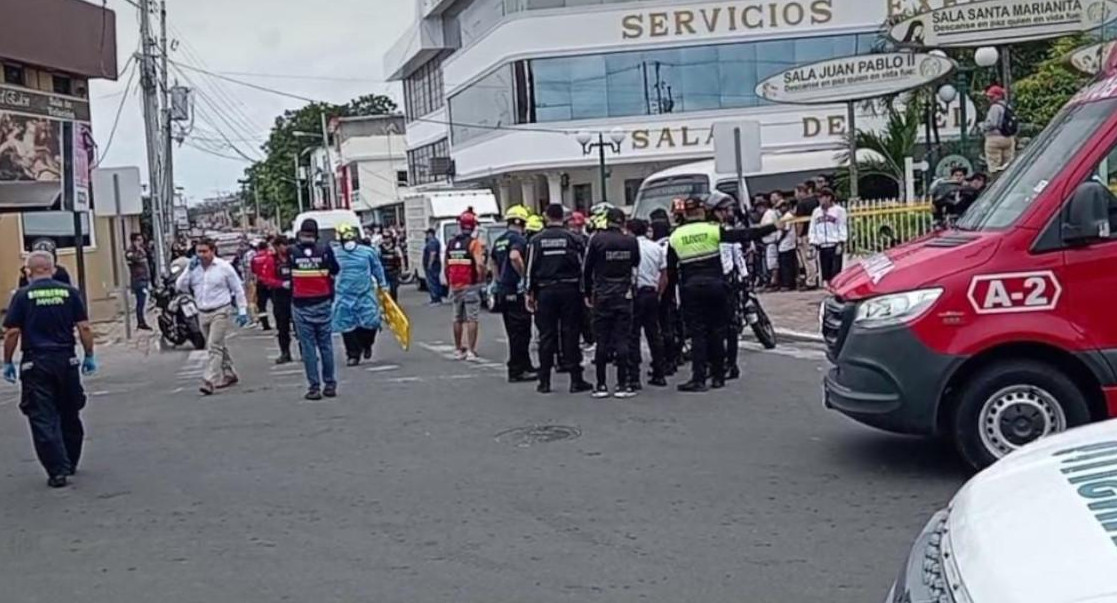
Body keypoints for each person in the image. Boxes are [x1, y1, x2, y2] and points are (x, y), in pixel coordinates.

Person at [3, 251, 97, 488]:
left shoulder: (22, 296)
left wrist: (7, 361)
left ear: (28, 271)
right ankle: (70, 460)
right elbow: (84, 327)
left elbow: (12, 331)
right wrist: (89, 355)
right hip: (65, 360)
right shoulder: (69, 292)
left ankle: (57, 470)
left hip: (36, 361)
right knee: (69, 410)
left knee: (42, 416)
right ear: (53, 269)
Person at [667, 192, 777, 392]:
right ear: (702, 211)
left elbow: (671, 271)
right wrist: (772, 227)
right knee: (718, 330)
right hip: (716, 286)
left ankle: (698, 379)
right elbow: (743, 235)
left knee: (698, 334)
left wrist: (673, 298)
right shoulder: (712, 230)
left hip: (691, 289)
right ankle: (719, 376)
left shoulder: (675, 237)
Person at [526, 203, 594, 394]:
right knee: (571, 334)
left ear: (546, 217)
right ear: (563, 218)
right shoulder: (573, 238)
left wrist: (528, 293)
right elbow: (583, 268)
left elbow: (530, 269)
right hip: (570, 290)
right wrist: (585, 292)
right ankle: (575, 379)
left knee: (546, 336)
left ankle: (544, 381)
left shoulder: (536, 240)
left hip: (545, 291)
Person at [176, 238, 250, 395]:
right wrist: (189, 269)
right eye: (198, 252)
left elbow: (237, 289)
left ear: (212, 251)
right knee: (218, 345)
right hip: (202, 312)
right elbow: (180, 286)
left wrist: (243, 310)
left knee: (213, 346)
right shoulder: (194, 268)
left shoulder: (224, 267)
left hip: (220, 311)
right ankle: (229, 372)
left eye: (205, 251)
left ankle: (209, 380)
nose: (201, 255)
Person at [583, 207, 640, 399]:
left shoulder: (597, 240)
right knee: (622, 339)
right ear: (622, 222)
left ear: (606, 221)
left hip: (602, 295)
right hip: (623, 294)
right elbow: (635, 263)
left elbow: (587, 268)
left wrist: (588, 292)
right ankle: (622, 385)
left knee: (602, 341)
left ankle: (600, 385)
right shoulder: (630, 241)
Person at [290, 219, 341, 400]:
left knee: (309, 348)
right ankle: (330, 384)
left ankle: (314, 387)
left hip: (301, 304)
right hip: (323, 302)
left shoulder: (293, 251)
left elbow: (288, 275)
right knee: (326, 345)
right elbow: (335, 269)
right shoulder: (325, 249)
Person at [491, 205, 536, 383]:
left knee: (513, 331)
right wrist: (524, 275)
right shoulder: (518, 239)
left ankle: (525, 365)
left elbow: (492, 262)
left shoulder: (499, 240)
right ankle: (517, 369)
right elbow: (514, 256)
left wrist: (499, 280)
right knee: (521, 332)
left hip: (504, 291)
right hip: (516, 292)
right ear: (521, 222)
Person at [333, 224, 387, 367]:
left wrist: (383, 285)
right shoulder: (334, 253)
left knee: (372, 322)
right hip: (344, 294)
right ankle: (353, 355)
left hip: (365, 293)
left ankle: (366, 344)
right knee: (347, 326)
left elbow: (377, 268)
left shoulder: (368, 252)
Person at [628, 219, 668, 389]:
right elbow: (664, 275)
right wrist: (658, 293)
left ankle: (634, 377)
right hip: (651, 293)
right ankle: (659, 372)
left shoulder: (628, 247)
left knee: (633, 335)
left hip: (634, 293)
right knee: (654, 334)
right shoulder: (656, 248)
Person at [713, 200, 749, 381]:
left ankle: (731, 364)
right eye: (724, 210)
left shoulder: (728, 232)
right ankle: (717, 363)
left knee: (730, 325)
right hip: (713, 281)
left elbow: (738, 256)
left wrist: (744, 277)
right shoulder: (709, 232)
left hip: (728, 282)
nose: (728, 213)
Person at [445, 211, 487, 361]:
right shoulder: (473, 243)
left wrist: (449, 282)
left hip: (455, 284)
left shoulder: (451, 243)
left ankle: (458, 349)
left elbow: (446, 265)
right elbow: (480, 264)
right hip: (470, 284)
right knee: (471, 318)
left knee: (457, 317)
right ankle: (471, 350)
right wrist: (481, 278)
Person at [254, 235, 294, 364]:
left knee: (301, 328)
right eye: (282, 245)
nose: (285, 248)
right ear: (276, 247)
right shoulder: (271, 261)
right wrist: (281, 284)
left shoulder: (293, 258)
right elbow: (266, 279)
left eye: (286, 245)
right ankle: (285, 353)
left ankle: (305, 352)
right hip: (279, 297)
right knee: (282, 328)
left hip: (295, 296)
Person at [650, 213, 680, 375]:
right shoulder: (673, 242)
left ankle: (666, 360)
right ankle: (675, 356)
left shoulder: (655, 247)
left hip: (661, 288)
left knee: (662, 325)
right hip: (675, 287)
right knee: (673, 321)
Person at [808, 188, 849, 288]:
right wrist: (812, 242)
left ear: (829, 197)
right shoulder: (816, 212)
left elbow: (842, 226)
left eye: (822, 197)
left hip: (834, 244)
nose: (820, 200)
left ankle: (836, 287)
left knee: (835, 270)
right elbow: (813, 227)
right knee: (825, 270)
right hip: (822, 245)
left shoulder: (839, 211)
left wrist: (841, 241)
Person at [982, 85, 1016, 174]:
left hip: (994, 138)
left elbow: (992, 123)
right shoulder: (1007, 106)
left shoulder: (995, 107)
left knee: (994, 166)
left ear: (998, 96)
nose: (989, 99)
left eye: (991, 97)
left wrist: (983, 126)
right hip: (1008, 138)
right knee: (1008, 165)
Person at [794, 182, 820, 289]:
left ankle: (811, 281)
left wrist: (798, 235)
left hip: (806, 234)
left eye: (796, 192)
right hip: (817, 233)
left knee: (808, 259)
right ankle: (816, 278)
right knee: (815, 258)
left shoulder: (802, 204)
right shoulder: (816, 201)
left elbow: (800, 222)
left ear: (801, 192)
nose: (795, 195)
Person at [125, 232, 153, 330]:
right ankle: (141, 322)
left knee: (144, 301)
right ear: (134, 241)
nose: (141, 242)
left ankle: (142, 321)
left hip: (144, 278)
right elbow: (132, 258)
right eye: (139, 240)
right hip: (138, 280)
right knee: (140, 302)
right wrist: (137, 249)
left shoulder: (142, 250)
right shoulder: (131, 251)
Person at [776, 197, 799, 291]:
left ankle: (788, 284)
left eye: (781, 207)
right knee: (788, 265)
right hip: (786, 244)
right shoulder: (785, 216)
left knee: (786, 266)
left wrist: (779, 239)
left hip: (786, 244)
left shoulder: (787, 216)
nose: (780, 210)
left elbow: (785, 229)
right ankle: (790, 283)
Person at [761, 193, 783, 290]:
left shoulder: (769, 214)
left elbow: (769, 227)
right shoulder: (769, 213)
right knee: (770, 262)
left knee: (772, 263)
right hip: (769, 241)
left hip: (771, 241)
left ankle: (774, 281)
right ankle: (773, 281)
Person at [249, 240, 272, 331]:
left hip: (260, 282)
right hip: (270, 282)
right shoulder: (269, 256)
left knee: (261, 304)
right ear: (266, 247)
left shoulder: (254, 258)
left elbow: (253, 271)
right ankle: (280, 322)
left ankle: (265, 324)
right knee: (276, 303)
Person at [379, 231, 404, 301]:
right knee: (384, 289)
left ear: (391, 238)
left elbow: (400, 258)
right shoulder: (379, 248)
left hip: (393, 271)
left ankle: (394, 302)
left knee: (393, 288)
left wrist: (402, 269)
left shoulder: (396, 248)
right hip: (383, 271)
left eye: (387, 237)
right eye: (384, 237)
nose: (386, 239)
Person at [422, 229, 444, 305]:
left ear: (431, 234)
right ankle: (436, 298)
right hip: (435, 265)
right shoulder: (434, 241)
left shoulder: (432, 242)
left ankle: (436, 299)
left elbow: (433, 254)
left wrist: (429, 264)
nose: (426, 235)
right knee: (435, 281)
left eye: (427, 233)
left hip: (433, 265)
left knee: (433, 282)